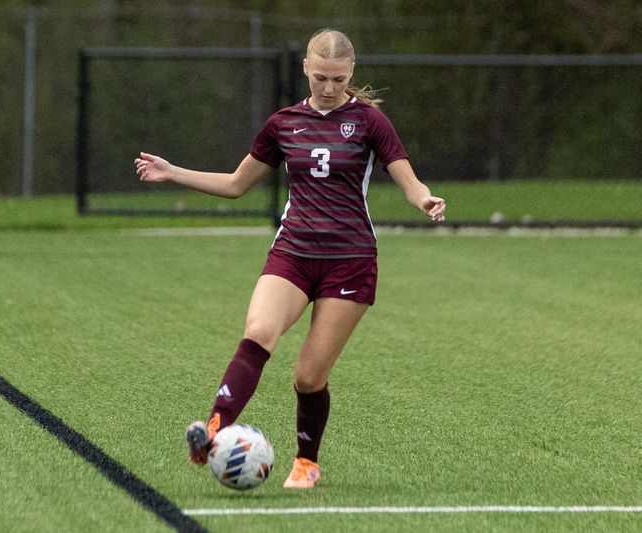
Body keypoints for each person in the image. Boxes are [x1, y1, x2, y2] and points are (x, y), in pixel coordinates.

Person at [134, 28, 445, 489]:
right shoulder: (283, 123)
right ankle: (212, 431)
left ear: (351, 73)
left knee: (307, 377)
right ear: (306, 68)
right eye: (321, 77)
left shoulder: (369, 122)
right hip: (293, 253)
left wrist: (423, 199)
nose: (329, 87)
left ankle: (307, 463)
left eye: (338, 79)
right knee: (258, 332)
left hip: (350, 261)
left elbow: (408, 179)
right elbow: (238, 184)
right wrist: (171, 171)